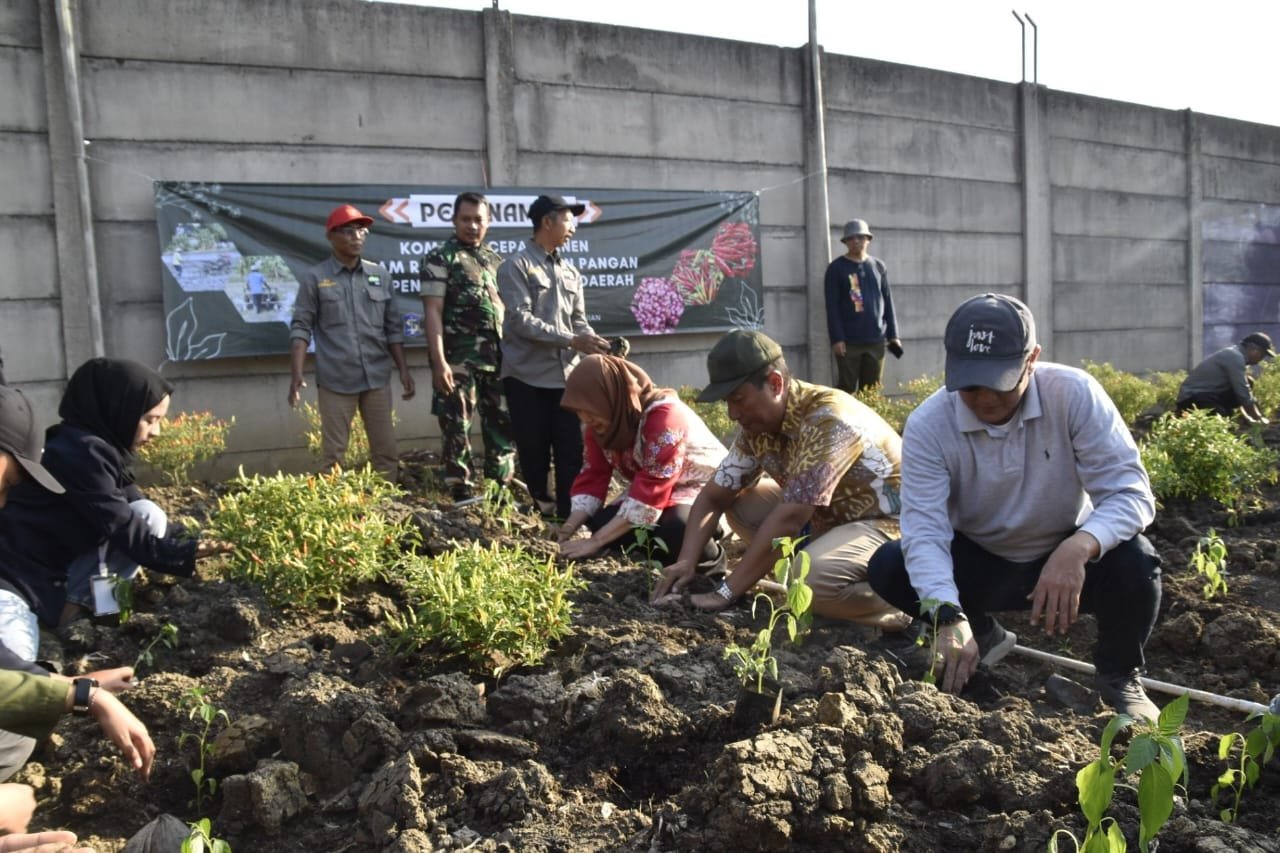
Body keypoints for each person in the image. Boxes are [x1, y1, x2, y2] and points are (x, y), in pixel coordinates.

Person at [867, 293, 1163, 721]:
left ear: (1032, 359)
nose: (985, 399)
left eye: (999, 382)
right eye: (970, 385)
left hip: (1063, 556)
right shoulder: (931, 424)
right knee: (890, 565)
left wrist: (1079, 548)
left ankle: (1120, 676)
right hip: (981, 561)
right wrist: (947, 617)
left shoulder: (1074, 394)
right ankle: (981, 633)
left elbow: (1131, 493)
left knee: (1138, 564)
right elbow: (926, 530)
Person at [650, 330, 912, 631]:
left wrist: (726, 592)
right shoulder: (758, 428)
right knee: (741, 500)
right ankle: (827, 576)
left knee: (811, 579)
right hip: (832, 523)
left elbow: (790, 518)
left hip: (889, 525)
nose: (732, 413)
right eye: (727, 402)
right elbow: (713, 496)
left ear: (775, 384)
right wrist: (686, 560)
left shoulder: (829, 420)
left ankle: (900, 608)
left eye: (738, 399)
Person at [0, 380, 163, 782]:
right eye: (6, 483)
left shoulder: (105, 459)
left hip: (43, 590)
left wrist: (71, 689)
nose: (3, 501)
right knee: (13, 730)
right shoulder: (82, 454)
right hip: (17, 592)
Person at [556, 354, 728, 568]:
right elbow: (594, 475)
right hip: (652, 488)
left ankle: (712, 568)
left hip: (701, 485)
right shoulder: (601, 427)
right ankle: (656, 560)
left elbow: (652, 489)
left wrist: (596, 541)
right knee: (598, 524)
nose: (585, 419)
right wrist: (569, 528)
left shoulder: (664, 417)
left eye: (589, 408)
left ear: (609, 396)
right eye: (579, 412)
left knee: (677, 528)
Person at [498, 194, 610, 517]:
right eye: (567, 218)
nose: (573, 226)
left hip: (567, 378)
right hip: (526, 376)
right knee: (533, 450)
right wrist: (573, 340)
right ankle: (543, 511)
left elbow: (579, 321)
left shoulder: (571, 272)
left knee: (571, 450)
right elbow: (519, 320)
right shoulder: (516, 266)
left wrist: (594, 341)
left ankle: (569, 514)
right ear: (547, 222)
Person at [288, 204, 415, 482]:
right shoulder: (316, 278)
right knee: (334, 455)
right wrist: (297, 374)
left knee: (385, 452)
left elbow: (393, 327)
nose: (357, 237)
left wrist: (403, 370)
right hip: (336, 379)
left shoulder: (379, 275)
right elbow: (301, 327)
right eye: (348, 231)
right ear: (331, 236)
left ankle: (385, 508)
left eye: (362, 231)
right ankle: (338, 513)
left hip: (377, 378)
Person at [421, 192, 515, 502]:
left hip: (498, 360)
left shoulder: (494, 260)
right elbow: (432, 311)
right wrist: (439, 363)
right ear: (454, 220)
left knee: (503, 427)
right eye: (466, 219)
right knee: (456, 427)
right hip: (459, 361)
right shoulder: (440, 258)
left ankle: (499, 491)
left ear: (488, 222)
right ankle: (461, 492)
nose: (472, 226)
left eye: (479, 220)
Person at [824, 219, 901, 394]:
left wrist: (893, 335)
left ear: (868, 239)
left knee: (872, 391)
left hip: (876, 340)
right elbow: (832, 305)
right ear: (845, 242)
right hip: (849, 342)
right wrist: (837, 338)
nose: (856, 241)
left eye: (860, 237)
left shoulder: (878, 266)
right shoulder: (836, 269)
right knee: (847, 389)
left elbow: (887, 301)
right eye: (851, 238)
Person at [1175, 332, 1276, 423]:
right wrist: (1258, 417)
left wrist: (1248, 417)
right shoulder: (1234, 357)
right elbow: (1243, 393)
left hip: (1208, 395)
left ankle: (1237, 419)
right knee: (1220, 416)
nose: (1261, 359)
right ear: (1253, 349)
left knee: (1248, 381)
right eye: (1262, 355)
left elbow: (1241, 391)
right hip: (1192, 397)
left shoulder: (1237, 355)